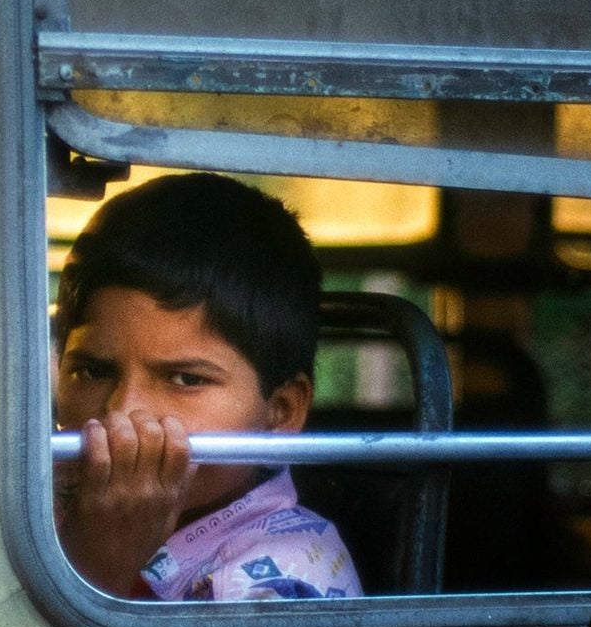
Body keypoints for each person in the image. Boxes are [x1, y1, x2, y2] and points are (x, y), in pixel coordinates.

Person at [52, 171, 362, 602]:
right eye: (92, 372)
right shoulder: (39, 503)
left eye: (185, 380)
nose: (122, 413)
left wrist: (105, 563)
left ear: (282, 411)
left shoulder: (282, 577)